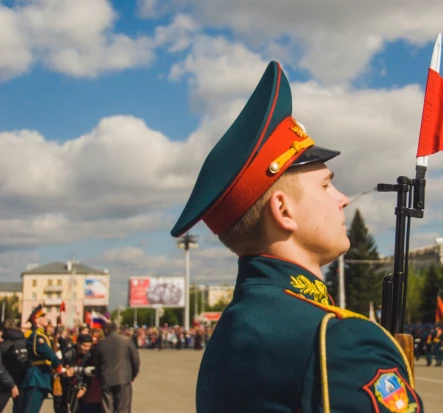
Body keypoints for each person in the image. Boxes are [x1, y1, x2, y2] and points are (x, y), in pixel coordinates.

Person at [172, 61, 424, 412]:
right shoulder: (338, 341)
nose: (343, 198)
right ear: (284, 211)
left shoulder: (229, 333)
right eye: (326, 185)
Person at [22, 305, 72, 413]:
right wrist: (60, 368)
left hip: (42, 376)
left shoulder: (42, 335)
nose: (46, 318)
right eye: (43, 316)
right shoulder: (36, 337)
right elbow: (49, 354)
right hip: (36, 377)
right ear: (36, 320)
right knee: (30, 410)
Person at [94, 323, 139, 413]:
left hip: (106, 380)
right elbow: (135, 360)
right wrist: (133, 375)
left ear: (106, 330)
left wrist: (99, 377)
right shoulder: (127, 341)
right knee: (123, 408)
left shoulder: (101, 344)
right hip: (123, 378)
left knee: (107, 408)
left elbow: (97, 364)